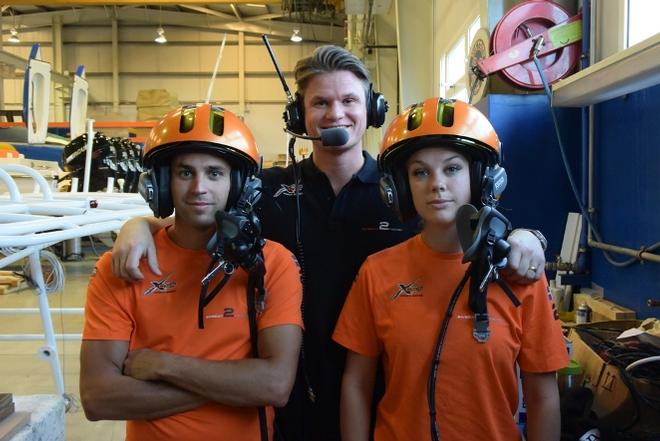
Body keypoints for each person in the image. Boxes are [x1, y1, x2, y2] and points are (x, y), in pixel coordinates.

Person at [110, 46, 548, 441]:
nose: (335, 113)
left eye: (349, 100)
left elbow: (463, 229)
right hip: (286, 392)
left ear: (371, 110)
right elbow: (196, 219)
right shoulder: (265, 192)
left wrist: (528, 237)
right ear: (299, 116)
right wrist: (140, 225)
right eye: (320, 102)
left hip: (386, 394)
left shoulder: (408, 191)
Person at [333, 97, 568, 441]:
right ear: (399, 187)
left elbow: (544, 397)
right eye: (420, 172)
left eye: (452, 168)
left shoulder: (519, 273)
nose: (436, 184)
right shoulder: (377, 272)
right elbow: (356, 384)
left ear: (483, 179)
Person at [79, 103, 303, 441]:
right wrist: (236, 387)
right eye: (185, 173)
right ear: (162, 183)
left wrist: (163, 366)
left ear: (238, 185)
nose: (199, 187)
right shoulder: (122, 266)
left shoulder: (271, 263)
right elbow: (99, 397)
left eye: (215, 173)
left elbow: (274, 385)